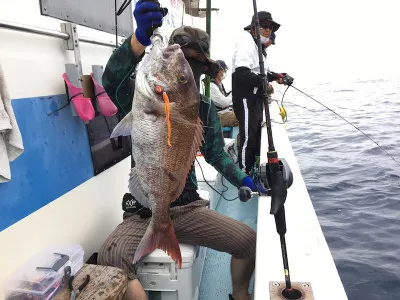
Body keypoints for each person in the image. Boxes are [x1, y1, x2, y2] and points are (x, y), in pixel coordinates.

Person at [98, 1, 262, 299]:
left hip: (187, 208)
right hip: (144, 211)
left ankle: (239, 293)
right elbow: (110, 80)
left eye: (191, 66)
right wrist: (138, 40)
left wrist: (244, 179)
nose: (185, 68)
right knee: (111, 256)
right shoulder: (144, 98)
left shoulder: (206, 108)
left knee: (248, 241)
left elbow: (215, 154)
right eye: (181, 60)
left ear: (201, 70)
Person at [232, 11, 288, 174]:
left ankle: (251, 166)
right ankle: (243, 172)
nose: (268, 30)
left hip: (255, 98)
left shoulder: (257, 46)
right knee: (248, 136)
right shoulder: (246, 44)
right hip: (246, 98)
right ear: (253, 28)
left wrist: (278, 76)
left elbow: (259, 73)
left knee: (255, 134)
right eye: (264, 26)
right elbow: (242, 73)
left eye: (270, 27)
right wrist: (265, 82)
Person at [208, 59, 239, 127]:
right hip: (218, 116)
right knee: (242, 116)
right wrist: (234, 93)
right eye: (224, 70)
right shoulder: (212, 86)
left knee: (244, 113)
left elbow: (227, 97)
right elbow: (224, 103)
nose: (225, 72)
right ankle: (243, 138)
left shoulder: (220, 85)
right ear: (218, 72)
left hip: (224, 113)